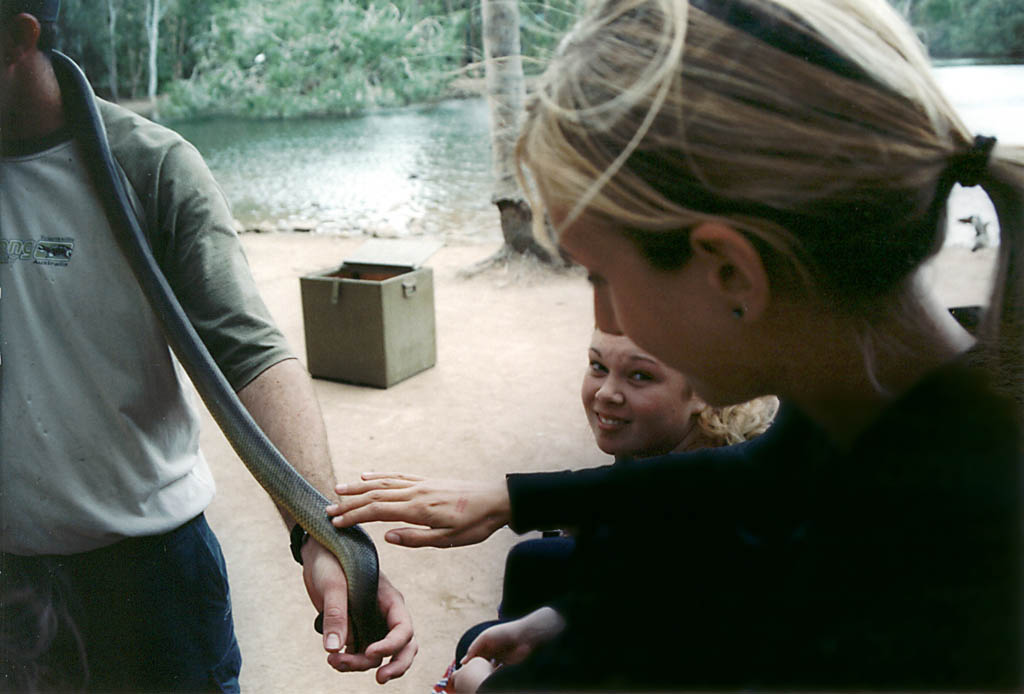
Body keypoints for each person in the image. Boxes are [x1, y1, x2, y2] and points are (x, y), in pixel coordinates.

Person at [449, 0, 1024, 690]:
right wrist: (563, 586)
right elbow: (763, 485)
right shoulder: (886, 408)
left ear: (730, 272)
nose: (602, 311)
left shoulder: (927, 572)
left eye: (601, 273)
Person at [0, 2, 415, 690]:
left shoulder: (149, 167)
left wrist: (323, 536)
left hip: (149, 581)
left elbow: (249, 355)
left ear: (17, 37)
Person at [327, 328, 776, 691]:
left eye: (640, 376)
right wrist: (556, 620)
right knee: (528, 567)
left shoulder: (711, 525)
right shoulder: (661, 445)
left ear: (707, 388)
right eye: (597, 366)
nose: (606, 395)